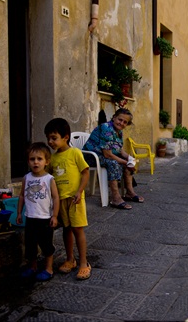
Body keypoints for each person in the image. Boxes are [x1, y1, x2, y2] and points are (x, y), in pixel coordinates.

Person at [44, 118, 92, 280]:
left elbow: (85, 172)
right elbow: (48, 177)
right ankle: (70, 259)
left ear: (65, 137)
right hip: (61, 200)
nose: (50, 142)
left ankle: (84, 263)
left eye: (53, 138)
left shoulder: (75, 153)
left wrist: (80, 191)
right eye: (48, 138)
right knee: (66, 229)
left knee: (77, 229)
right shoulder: (53, 158)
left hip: (74, 199)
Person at [83, 108, 144, 210]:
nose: (122, 123)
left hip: (103, 156)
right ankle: (115, 197)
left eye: (125, 122)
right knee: (114, 163)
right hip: (91, 157)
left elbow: (119, 150)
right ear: (114, 117)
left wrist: (130, 159)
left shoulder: (119, 132)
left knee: (128, 162)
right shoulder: (106, 128)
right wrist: (125, 162)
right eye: (120, 120)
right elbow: (108, 154)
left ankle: (129, 192)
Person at [17, 142, 60, 282]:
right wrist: (19, 213)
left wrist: (54, 215)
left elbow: (55, 197)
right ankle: (33, 266)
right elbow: (22, 196)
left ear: (46, 161)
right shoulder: (26, 178)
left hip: (45, 218)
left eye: (39, 159)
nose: (36, 162)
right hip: (30, 217)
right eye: (32, 159)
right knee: (30, 244)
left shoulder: (49, 179)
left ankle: (49, 268)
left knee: (46, 244)